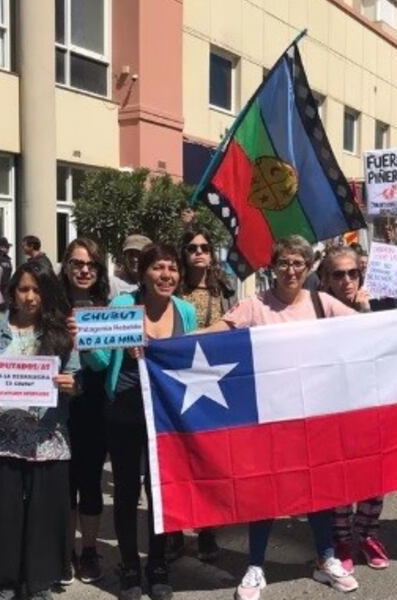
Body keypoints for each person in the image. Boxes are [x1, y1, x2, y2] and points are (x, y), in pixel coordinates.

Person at [200, 235, 359, 600]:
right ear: (272, 267)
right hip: (268, 415)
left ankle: (326, 558)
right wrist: (164, 345)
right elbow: (213, 335)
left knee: (318, 489)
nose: (291, 270)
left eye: (298, 263)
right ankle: (256, 565)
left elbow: (366, 330)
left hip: (313, 414)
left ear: (308, 268)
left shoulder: (321, 302)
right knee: (266, 491)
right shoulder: (255, 305)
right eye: (284, 262)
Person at [82, 243, 198, 600]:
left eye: (172, 268)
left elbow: (191, 362)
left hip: (166, 414)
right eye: (158, 267)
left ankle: (157, 564)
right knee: (127, 490)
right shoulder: (122, 305)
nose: (166, 275)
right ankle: (130, 565)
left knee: (160, 491)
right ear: (143, 273)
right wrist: (89, 344)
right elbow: (100, 363)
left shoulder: (186, 311)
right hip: (124, 410)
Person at [0, 261, 79, 600]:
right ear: (12, 291)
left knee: (43, 515)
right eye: (23, 289)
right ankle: (0, 585)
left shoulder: (61, 331)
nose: (30, 297)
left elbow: (77, 378)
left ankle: (39, 582)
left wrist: (71, 385)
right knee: (1, 514)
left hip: (46, 437)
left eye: (37, 290)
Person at [318, 245, 394, 573]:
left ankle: (367, 534)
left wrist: (365, 311)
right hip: (332, 406)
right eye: (338, 274)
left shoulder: (376, 305)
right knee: (339, 475)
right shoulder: (316, 311)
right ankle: (343, 539)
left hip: (370, 403)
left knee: (373, 473)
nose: (347, 280)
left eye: (353, 273)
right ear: (325, 279)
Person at [169, 229, 236, 561]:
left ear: (212, 253)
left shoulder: (224, 289)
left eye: (205, 247)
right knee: (177, 456)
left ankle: (208, 528)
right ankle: (175, 528)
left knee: (208, 456)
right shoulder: (173, 288)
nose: (199, 252)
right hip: (175, 380)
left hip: (213, 380)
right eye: (192, 247)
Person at [58, 238, 112, 585]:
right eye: (77, 263)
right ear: (66, 266)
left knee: (90, 480)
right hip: (53, 405)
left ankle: (89, 550)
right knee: (62, 484)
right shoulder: (49, 305)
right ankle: (64, 550)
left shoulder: (107, 309)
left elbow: (105, 363)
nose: (84, 270)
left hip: (92, 404)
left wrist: (86, 343)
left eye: (91, 264)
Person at [110, 234, 152, 299]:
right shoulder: (112, 284)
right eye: (131, 254)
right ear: (124, 257)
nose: (135, 259)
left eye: (139, 254)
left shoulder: (154, 284)